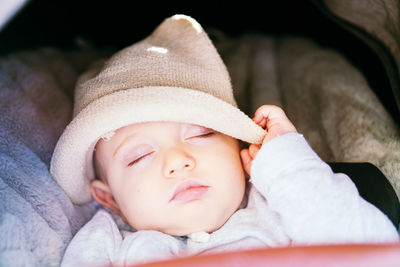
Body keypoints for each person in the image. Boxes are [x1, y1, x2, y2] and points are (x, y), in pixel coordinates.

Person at [50, 14, 399, 266]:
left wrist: (288, 167)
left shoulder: (284, 206)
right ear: (108, 198)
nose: (178, 161)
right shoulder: (108, 244)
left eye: (201, 134)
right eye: (139, 156)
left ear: (240, 151)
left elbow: (375, 252)